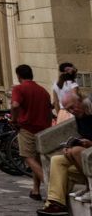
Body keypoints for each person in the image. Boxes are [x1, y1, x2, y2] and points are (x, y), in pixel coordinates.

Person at [37, 91, 92, 215]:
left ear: (81, 100)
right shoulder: (79, 116)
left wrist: (89, 144)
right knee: (58, 159)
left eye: (73, 107)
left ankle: (89, 187)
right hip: (84, 156)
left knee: (75, 151)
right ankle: (56, 203)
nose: (72, 111)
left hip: (88, 155)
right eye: (68, 109)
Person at [12, 64, 53, 201]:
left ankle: (52, 190)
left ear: (18, 76)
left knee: (27, 157)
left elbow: (15, 105)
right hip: (44, 128)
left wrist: (14, 120)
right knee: (37, 159)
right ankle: (35, 191)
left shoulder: (19, 88)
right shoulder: (43, 91)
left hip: (28, 127)